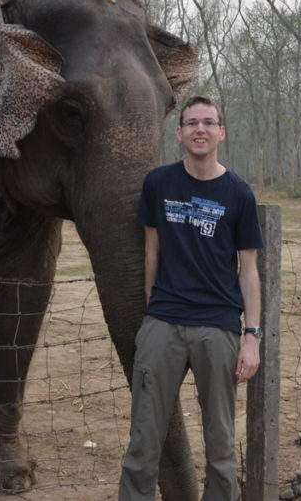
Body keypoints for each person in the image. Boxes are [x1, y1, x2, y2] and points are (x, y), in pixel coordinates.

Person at [119, 95, 264, 501]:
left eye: (208, 122)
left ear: (221, 132)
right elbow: (152, 251)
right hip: (163, 324)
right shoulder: (159, 183)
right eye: (191, 123)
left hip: (217, 329)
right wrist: (153, 315)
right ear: (180, 133)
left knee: (220, 446)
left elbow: (248, 270)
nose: (200, 129)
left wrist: (251, 336)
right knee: (144, 442)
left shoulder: (239, 194)